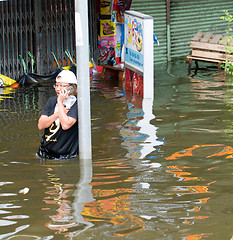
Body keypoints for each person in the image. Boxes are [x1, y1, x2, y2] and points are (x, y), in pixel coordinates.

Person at [37, 70, 79, 159]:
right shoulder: (52, 101)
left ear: (72, 87)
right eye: (57, 85)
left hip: (65, 154)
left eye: (63, 86)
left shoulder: (77, 104)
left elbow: (66, 125)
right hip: (45, 151)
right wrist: (57, 114)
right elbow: (41, 125)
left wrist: (60, 102)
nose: (58, 89)